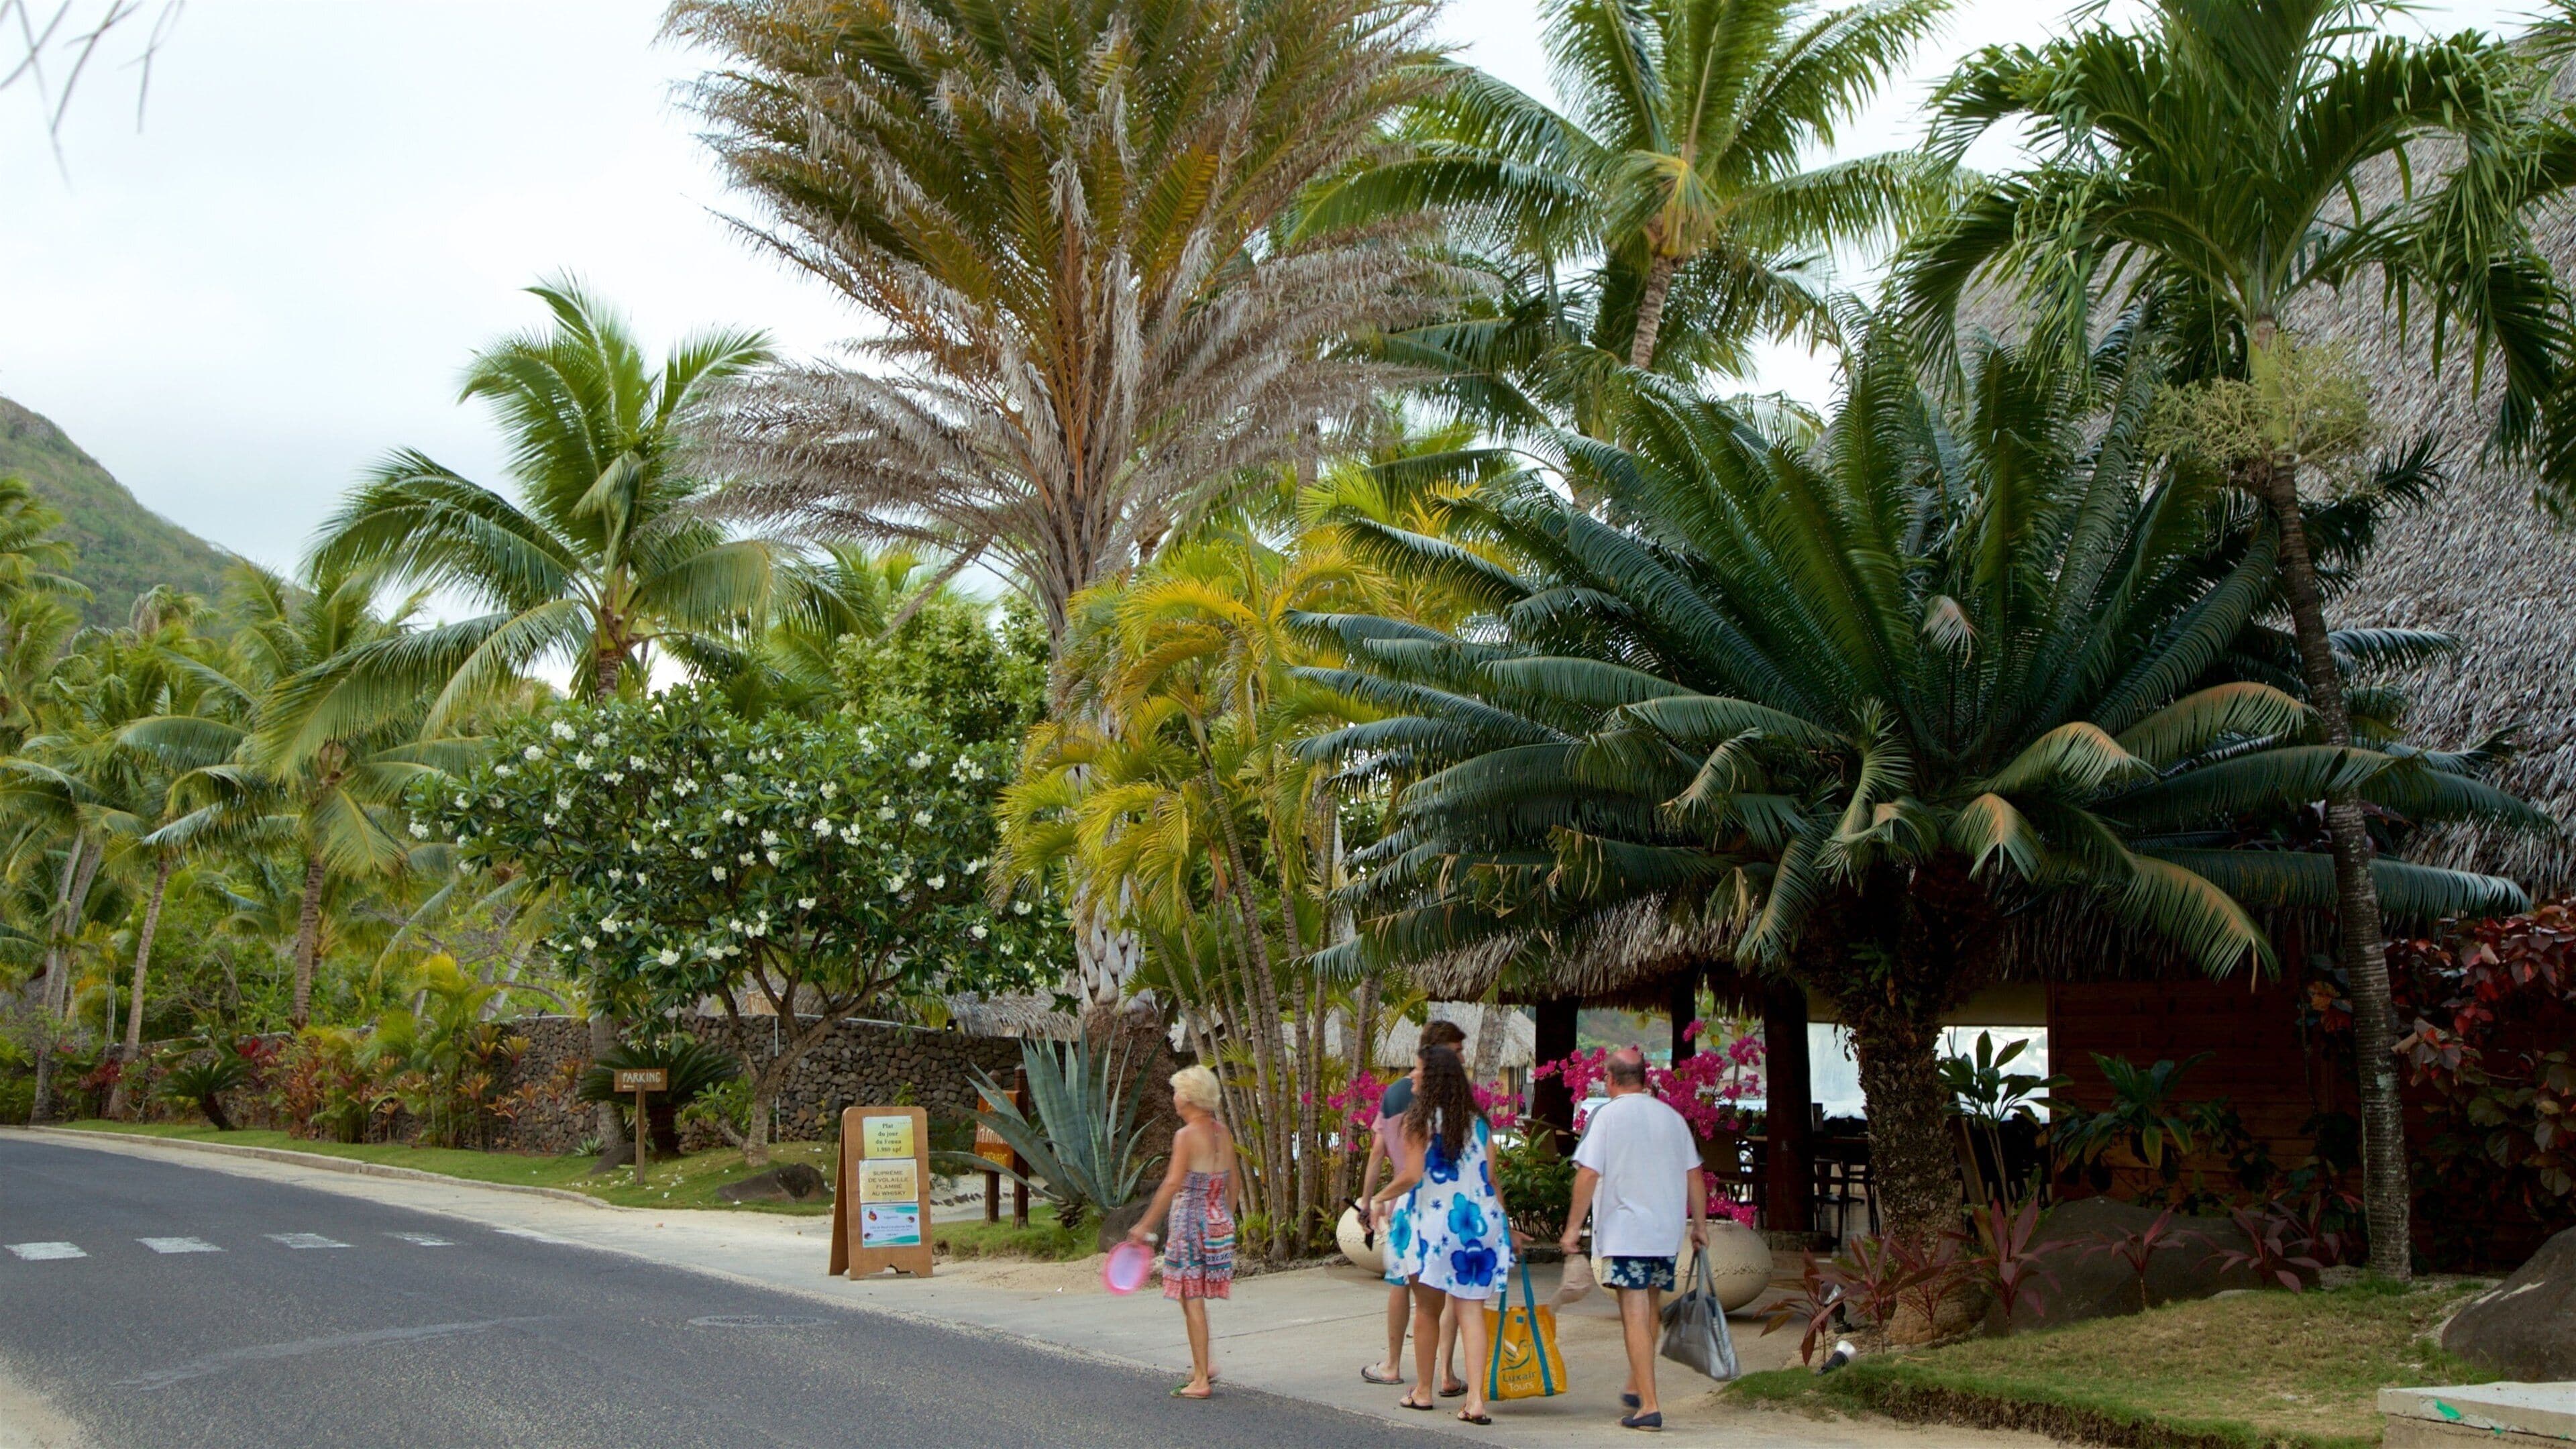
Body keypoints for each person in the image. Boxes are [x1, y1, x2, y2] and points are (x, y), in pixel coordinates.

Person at [1559, 1047, 1708, 1432]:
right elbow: (1695, 1174)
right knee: (1651, 1306)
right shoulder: (1671, 1117)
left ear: (1610, 1080)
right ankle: (1636, 1384)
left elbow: (1588, 1174)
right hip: (1664, 1232)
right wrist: (1700, 1226)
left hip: (1628, 1233)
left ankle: (1650, 1405)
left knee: (1635, 1312)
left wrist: (1573, 1228)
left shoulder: (1606, 1116)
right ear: (1644, 1078)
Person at [1371, 1044, 1520, 1427]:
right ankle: (1475, 1401)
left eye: (1419, 1070)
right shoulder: (1479, 1122)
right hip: (1477, 1227)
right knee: (1471, 1312)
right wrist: (1506, 1223)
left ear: (1432, 1078)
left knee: (1427, 1311)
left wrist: (1378, 1198)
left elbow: (1412, 1175)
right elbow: (1490, 1177)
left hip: (1434, 1228)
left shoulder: (1419, 1121)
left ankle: (1423, 1391)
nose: (1414, 1076)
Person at [1359, 1018, 1470, 1394]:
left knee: (1403, 1285)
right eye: (1456, 1052)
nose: (1462, 1059)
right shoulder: (1450, 1095)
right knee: (1448, 1289)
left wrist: (1370, 1199)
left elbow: (1377, 1153)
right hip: (1436, 1201)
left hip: (1402, 1200)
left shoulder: (1392, 1094)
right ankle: (1445, 1372)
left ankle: (1393, 1363)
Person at [1129, 1065, 1238, 1399]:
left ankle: (1202, 1378)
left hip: (1190, 1221)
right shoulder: (1221, 1132)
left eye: (1177, 1091)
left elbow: (1173, 1183)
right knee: (1189, 1294)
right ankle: (1205, 1364)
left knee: (1190, 1296)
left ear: (1188, 1098)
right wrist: (1225, 1217)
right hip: (1217, 1218)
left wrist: (1145, 1224)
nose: (1174, 1096)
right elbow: (1233, 1179)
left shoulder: (1186, 1135)